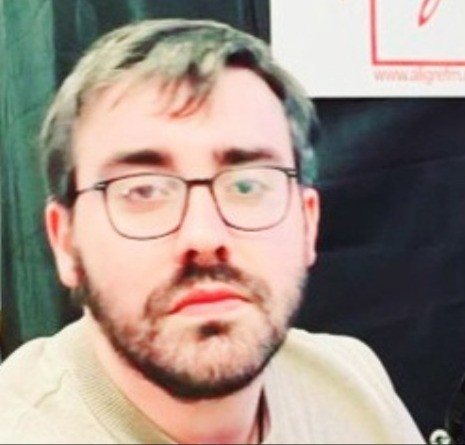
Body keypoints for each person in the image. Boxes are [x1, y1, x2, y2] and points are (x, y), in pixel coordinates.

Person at [0, 18, 424, 444]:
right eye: (144, 190)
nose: (204, 237)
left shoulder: (354, 389)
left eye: (247, 185)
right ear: (65, 241)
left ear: (307, 222)